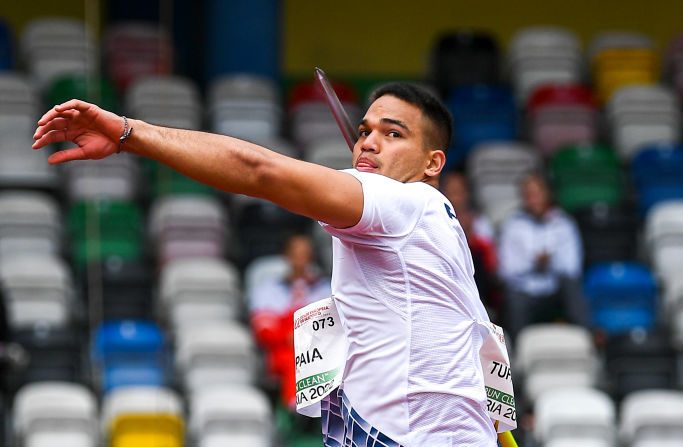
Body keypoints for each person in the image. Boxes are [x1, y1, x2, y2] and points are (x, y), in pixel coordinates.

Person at [33, 83, 497, 446]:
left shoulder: (405, 201)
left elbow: (260, 171)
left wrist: (130, 135)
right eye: (364, 132)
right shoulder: (436, 226)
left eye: (393, 134)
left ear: (433, 163)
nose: (369, 143)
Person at [498, 173, 590, 340]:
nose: (533, 200)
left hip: (555, 290)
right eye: (528, 195)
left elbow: (572, 268)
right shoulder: (512, 225)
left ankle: (587, 344)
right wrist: (534, 263)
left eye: (537, 194)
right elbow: (506, 271)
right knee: (513, 298)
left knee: (573, 289)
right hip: (525, 292)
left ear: (547, 194)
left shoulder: (564, 223)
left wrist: (550, 262)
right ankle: (517, 353)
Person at [249, 233, 331, 409]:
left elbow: (333, 326)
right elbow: (263, 330)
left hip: (320, 346)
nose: (301, 259)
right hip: (283, 349)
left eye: (306, 254)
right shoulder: (268, 289)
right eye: (296, 253)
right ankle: (301, 408)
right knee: (295, 358)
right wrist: (291, 337)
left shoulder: (325, 288)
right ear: (286, 256)